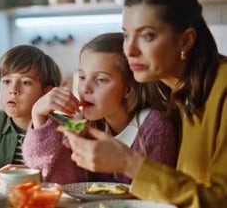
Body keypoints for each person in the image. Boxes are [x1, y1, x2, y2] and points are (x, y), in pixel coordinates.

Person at [63, 0, 227, 208]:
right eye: (127, 34)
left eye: (147, 36)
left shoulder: (223, 90)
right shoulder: (177, 94)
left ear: (186, 41)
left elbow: (219, 201)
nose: (129, 49)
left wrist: (128, 163)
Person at [22, 32, 178, 184]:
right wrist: (39, 118)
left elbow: (158, 194)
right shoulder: (82, 121)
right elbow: (64, 182)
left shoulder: (155, 128)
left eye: (101, 80)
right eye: (82, 77)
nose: (85, 89)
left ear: (128, 89)